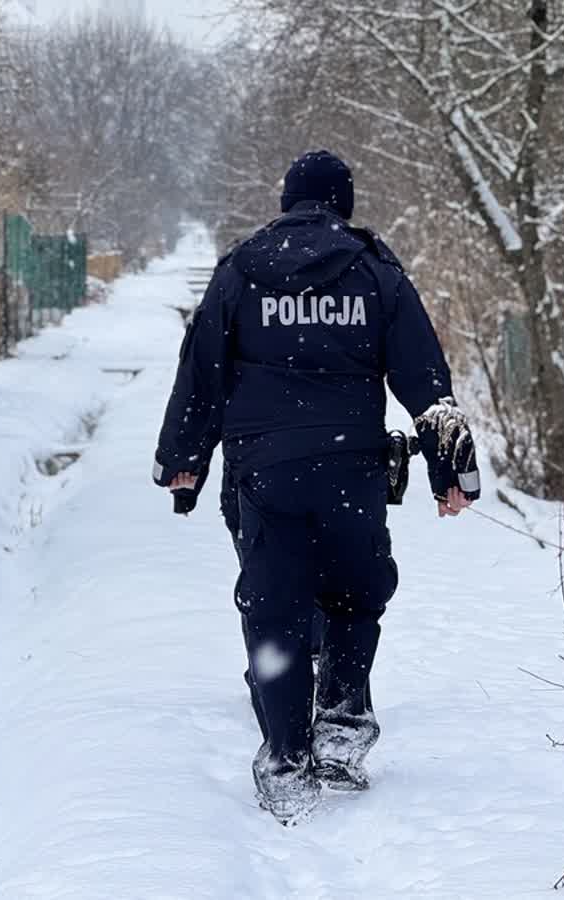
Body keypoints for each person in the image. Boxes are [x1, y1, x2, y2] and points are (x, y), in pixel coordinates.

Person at [152, 150, 482, 824]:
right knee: (354, 596)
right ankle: (341, 725)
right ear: (344, 202)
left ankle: (285, 758)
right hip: (350, 468)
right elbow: (425, 377)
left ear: (286, 201)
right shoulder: (375, 270)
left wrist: (183, 459)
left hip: (266, 471)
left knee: (273, 607)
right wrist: (450, 469)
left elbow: (202, 369)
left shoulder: (242, 269)